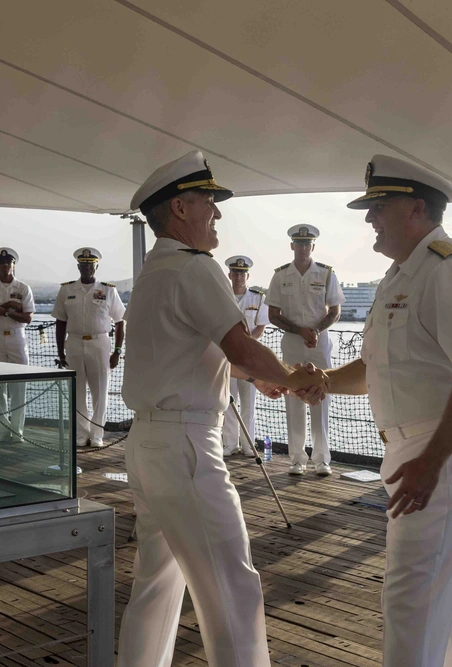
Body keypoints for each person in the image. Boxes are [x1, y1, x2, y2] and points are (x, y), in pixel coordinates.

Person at [117, 150, 328, 667]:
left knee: (157, 585)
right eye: (209, 204)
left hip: (147, 443)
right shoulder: (196, 269)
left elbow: (189, 354)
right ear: (182, 208)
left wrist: (261, 376)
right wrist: (294, 377)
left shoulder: (152, 272)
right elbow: (240, 345)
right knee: (232, 584)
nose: (217, 215)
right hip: (187, 447)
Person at [318, 155, 452, 667]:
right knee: (451, 587)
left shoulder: (450, 268)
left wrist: (431, 462)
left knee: (412, 596)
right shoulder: (400, 275)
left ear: (416, 208)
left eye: (380, 206)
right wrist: (322, 383)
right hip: (411, 448)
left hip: (441, 448)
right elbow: (379, 366)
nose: (370, 218)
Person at [267, 224, 345, 477]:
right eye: (298, 244)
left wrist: (316, 331)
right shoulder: (280, 276)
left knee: (321, 398)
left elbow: (334, 310)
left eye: (306, 244)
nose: (302, 248)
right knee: (293, 398)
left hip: (319, 345)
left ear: (313, 246)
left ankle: (322, 459)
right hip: (292, 344)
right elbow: (273, 315)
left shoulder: (326, 274)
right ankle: (297, 459)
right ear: (292, 246)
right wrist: (300, 330)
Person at [53, 247, 126, 448]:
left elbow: (120, 321)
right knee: (77, 391)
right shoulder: (66, 290)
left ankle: (97, 435)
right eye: (83, 265)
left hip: (100, 343)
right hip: (74, 342)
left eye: (90, 264)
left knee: (100, 391)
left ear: (96, 266)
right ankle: (81, 434)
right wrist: (60, 351)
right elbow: (60, 321)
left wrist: (117, 352)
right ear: (78, 266)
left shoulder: (108, 290)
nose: (87, 268)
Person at [0, 248, 35, 442]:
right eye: (1, 263)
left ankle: (17, 430)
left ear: (14, 265)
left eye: (8, 262)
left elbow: (27, 317)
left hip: (17, 337)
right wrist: (10, 307)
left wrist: (4, 311)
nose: (5, 266)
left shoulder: (23, 288)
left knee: (20, 386)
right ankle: (1, 429)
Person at [221, 255, 269, 456]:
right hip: (228, 356)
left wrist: (248, 344)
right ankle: (230, 444)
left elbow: (260, 326)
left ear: (247, 275)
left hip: (250, 356)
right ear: (229, 275)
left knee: (249, 403)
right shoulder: (221, 295)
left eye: (242, 273)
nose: (239, 277)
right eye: (235, 273)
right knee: (229, 401)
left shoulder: (258, 297)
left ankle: (249, 445)